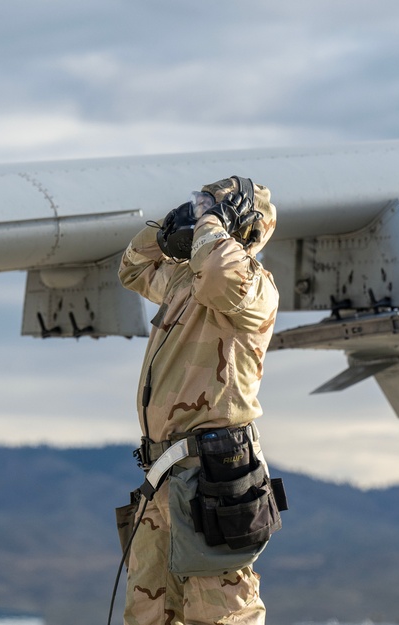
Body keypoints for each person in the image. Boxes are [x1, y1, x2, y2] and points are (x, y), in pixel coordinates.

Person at [117, 176, 280, 624]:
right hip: (164, 476)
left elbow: (220, 274)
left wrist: (213, 224)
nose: (203, 215)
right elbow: (133, 266)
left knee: (220, 613)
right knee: (150, 612)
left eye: (215, 209)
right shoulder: (185, 281)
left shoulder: (252, 288)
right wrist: (172, 224)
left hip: (212, 479)